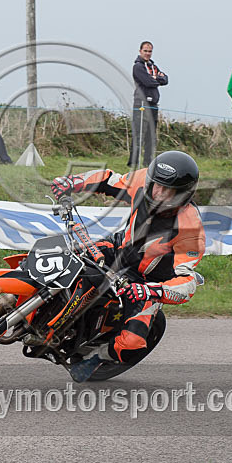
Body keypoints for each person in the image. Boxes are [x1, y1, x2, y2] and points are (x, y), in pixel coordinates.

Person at [50, 151, 205, 382]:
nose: (159, 193)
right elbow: (108, 179)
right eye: (157, 186)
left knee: (132, 343)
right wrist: (73, 182)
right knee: (64, 254)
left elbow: (188, 282)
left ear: (183, 195)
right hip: (119, 250)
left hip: (146, 283)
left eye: (168, 191)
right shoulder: (144, 182)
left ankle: (95, 357)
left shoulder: (191, 228)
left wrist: (152, 291)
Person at [130, 41, 169, 167]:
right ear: (140, 51)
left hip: (153, 103)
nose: (148, 53)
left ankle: (148, 161)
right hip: (141, 103)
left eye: (150, 51)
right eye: (145, 51)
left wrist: (156, 79)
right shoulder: (138, 67)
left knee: (151, 135)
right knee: (138, 133)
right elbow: (148, 82)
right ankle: (133, 161)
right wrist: (157, 79)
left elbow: (165, 79)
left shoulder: (153, 66)